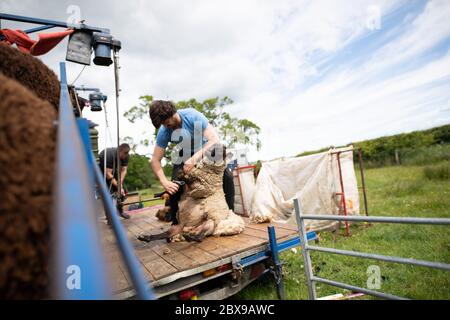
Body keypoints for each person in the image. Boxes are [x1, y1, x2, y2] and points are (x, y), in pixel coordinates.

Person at [149, 100, 234, 224]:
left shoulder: (192, 116)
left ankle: (230, 213)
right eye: (162, 124)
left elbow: (214, 139)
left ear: (172, 113)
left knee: (227, 176)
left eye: (166, 122)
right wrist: (164, 182)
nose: (165, 126)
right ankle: (176, 222)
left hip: (205, 150)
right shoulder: (164, 131)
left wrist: (194, 159)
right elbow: (155, 160)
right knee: (174, 187)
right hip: (184, 154)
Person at [98, 143, 131, 219]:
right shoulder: (109, 155)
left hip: (113, 171)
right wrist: (118, 186)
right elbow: (108, 174)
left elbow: (124, 170)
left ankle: (120, 211)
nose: (124, 157)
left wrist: (120, 184)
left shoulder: (126, 156)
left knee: (123, 192)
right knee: (109, 194)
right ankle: (109, 217)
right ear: (119, 151)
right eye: (123, 155)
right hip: (102, 171)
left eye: (126, 155)